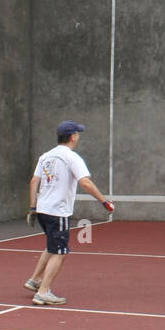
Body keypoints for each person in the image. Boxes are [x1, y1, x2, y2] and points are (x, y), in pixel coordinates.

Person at [24, 120, 113, 305]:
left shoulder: (45, 156)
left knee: (52, 246)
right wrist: (104, 201)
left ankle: (35, 280)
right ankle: (43, 292)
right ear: (73, 137)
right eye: (78, 133)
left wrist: (32, 208)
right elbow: (85, 182)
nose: (78, 136)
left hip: (42, 209)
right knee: (61, 252)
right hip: (58, 211)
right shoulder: (72, 158)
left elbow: (34, 181)